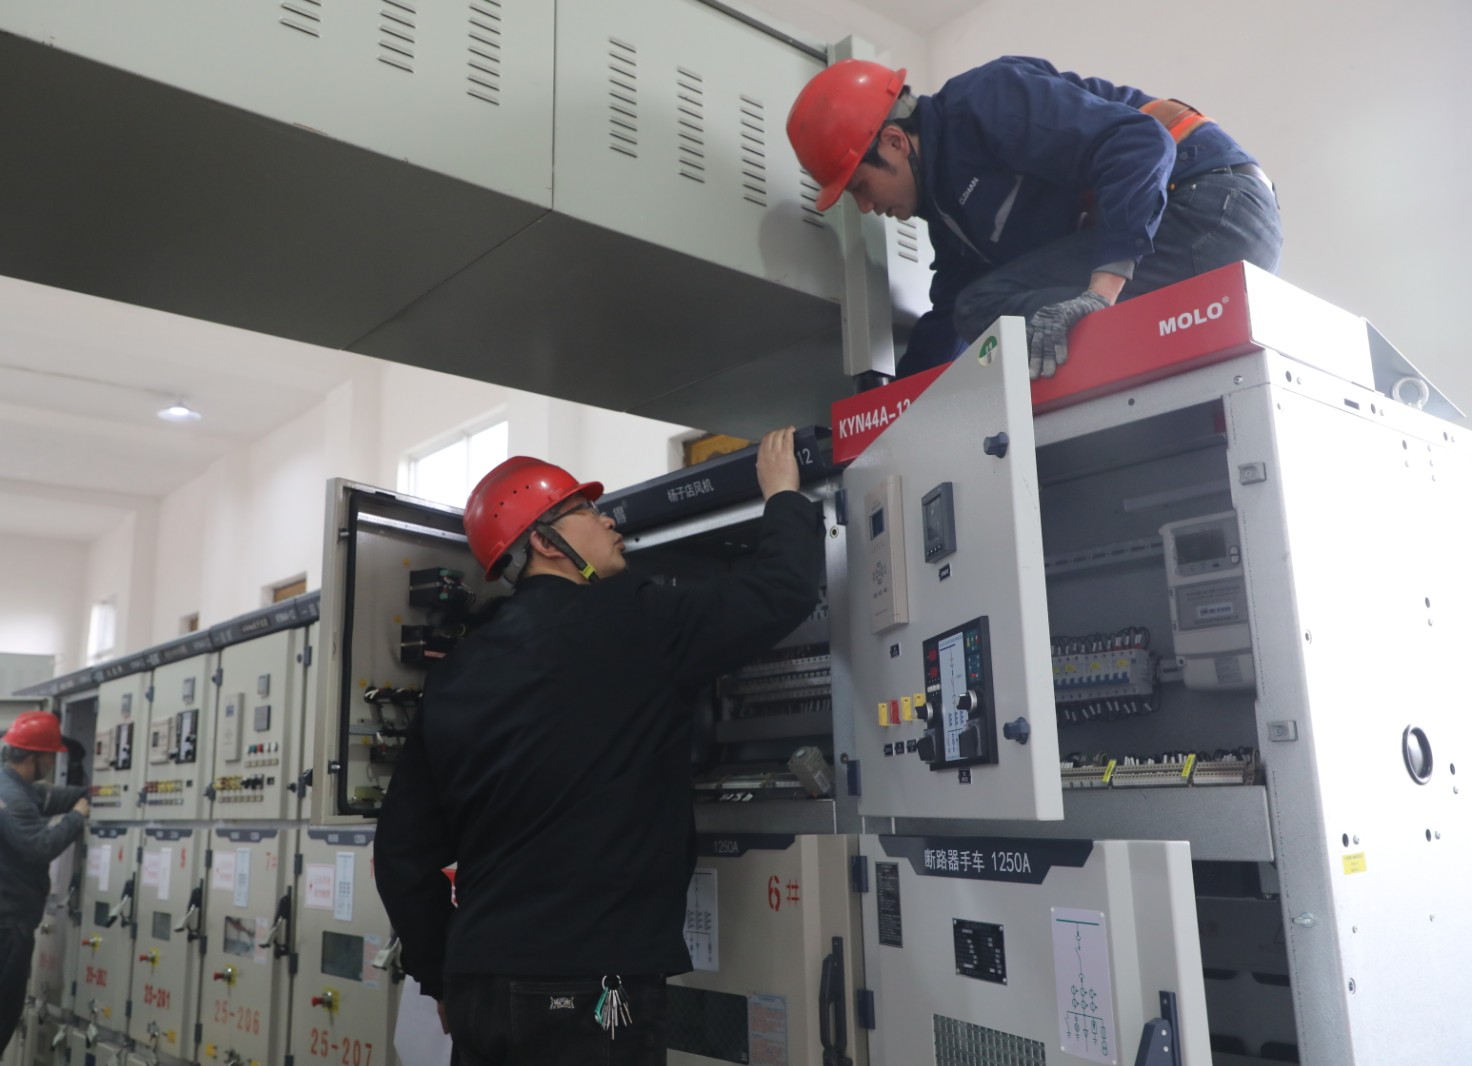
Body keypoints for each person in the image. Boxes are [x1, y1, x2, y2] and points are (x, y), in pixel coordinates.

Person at [375, 429, 824, 1066]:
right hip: (593, 987)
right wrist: (783, 496)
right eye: (586, 510)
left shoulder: (454, 675)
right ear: (543, 540)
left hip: (477, 984)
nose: (610, 520)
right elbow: (780, 591)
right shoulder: (636, 622)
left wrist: (437, 972)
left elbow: (401, 854)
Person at [787, 56, 1283, 380]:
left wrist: (1097, 295)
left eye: (861, 187)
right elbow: (952, 315)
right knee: (975, 307)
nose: (866, 207)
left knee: (986, 308)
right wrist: (891, 417)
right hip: (1204, 233)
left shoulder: (983, 102)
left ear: (895, 142)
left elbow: (1141, 144)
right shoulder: (949, 212)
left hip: (1213, 208)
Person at [0, 711, 89, 1066]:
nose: (53, 762)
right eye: (50, 756)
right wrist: (77, 816)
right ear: (34, 757)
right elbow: (42, 846)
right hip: (4, 928)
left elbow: (44, 799)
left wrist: (91, 794)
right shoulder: (11, 799)